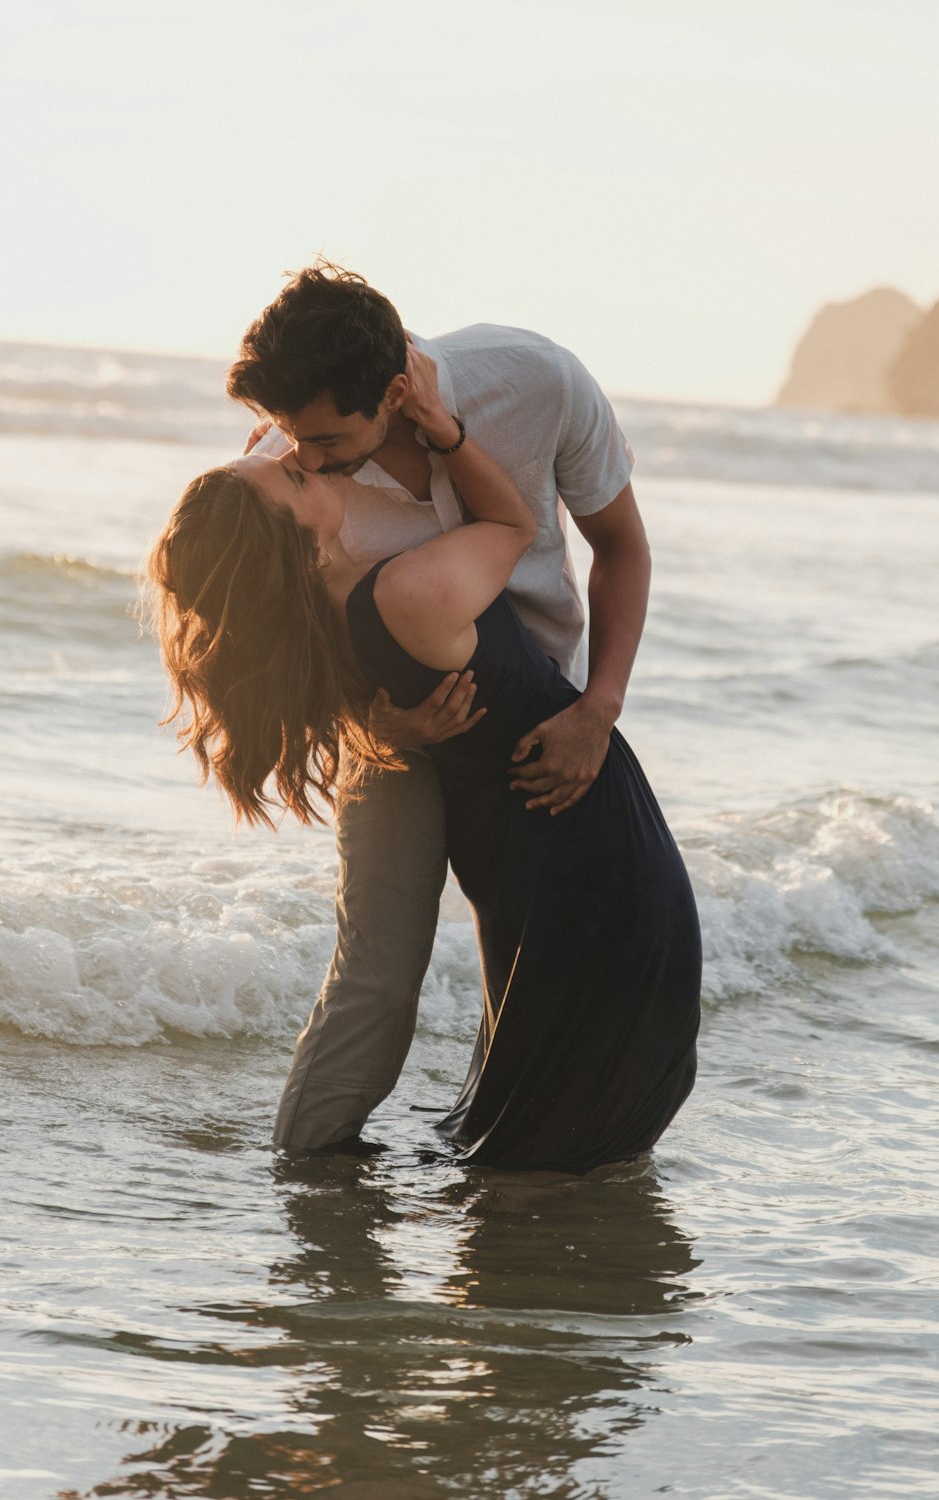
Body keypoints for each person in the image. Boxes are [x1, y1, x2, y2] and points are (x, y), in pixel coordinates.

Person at [148, 347, 701, 1171]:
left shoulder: (524, 386)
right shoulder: (330, 538)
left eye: (310, 451)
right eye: (293, 467)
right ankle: (306, 1166)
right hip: (492, 783)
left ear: (386, 398)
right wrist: (379, 733)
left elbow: (613, 546)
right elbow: (512, 527)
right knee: (379, 978)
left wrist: (598, 706)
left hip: (537, 786)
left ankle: (314, 1174)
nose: (295, 456)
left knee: (525, 1057)